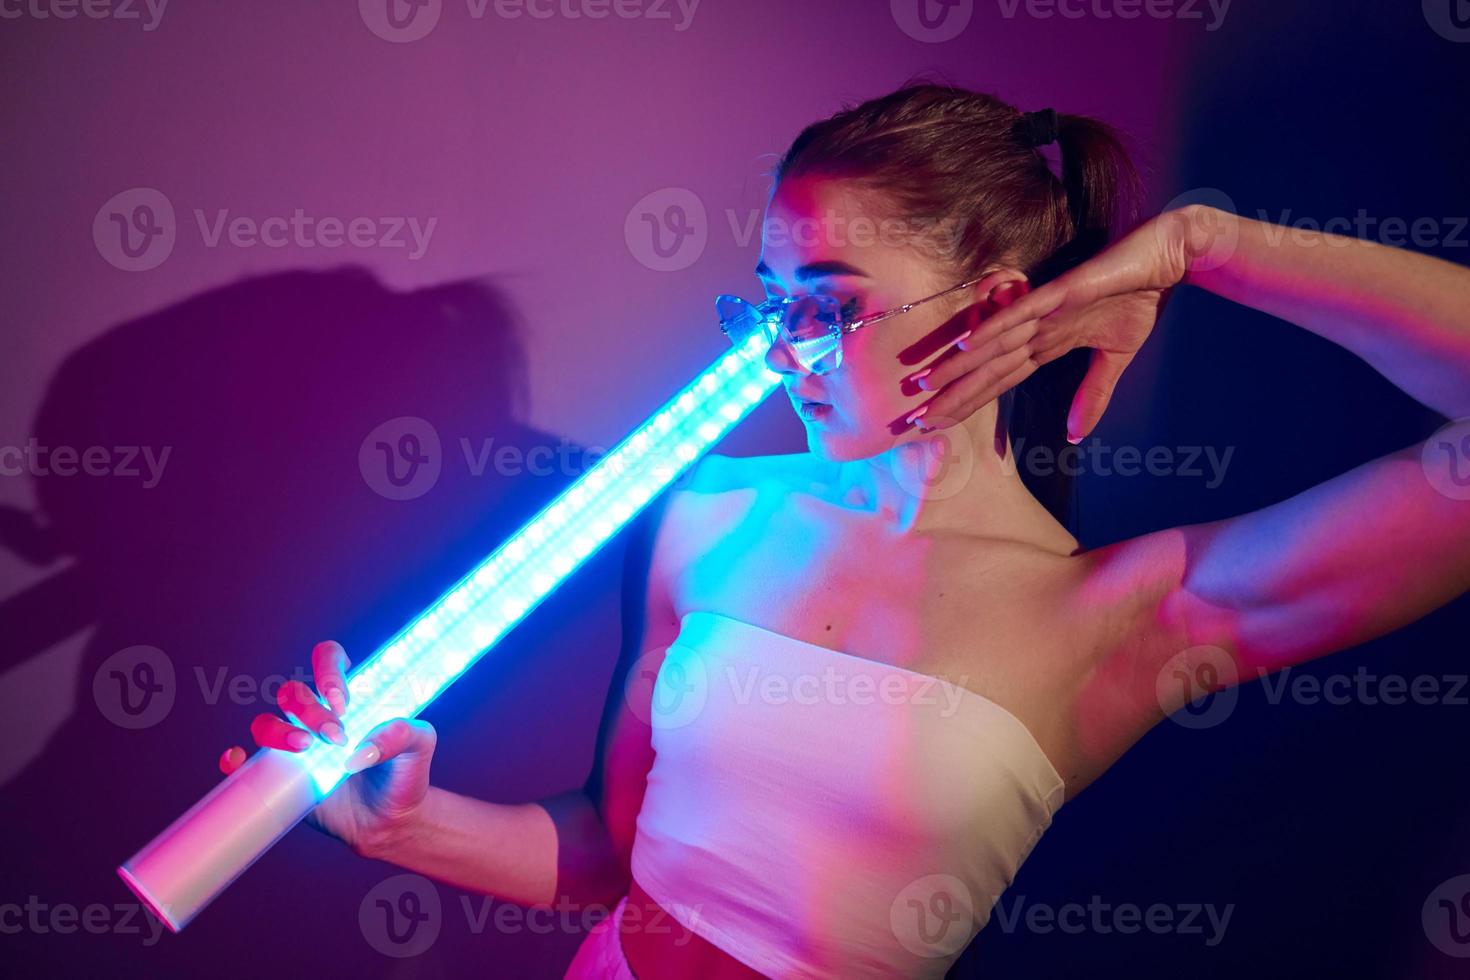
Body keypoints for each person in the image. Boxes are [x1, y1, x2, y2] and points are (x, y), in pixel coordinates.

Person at [220, 84, 1470, 978]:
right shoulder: (710, 517)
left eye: (828, 307)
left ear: (990, 311)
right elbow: (616, 852)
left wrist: (1209, 246)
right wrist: (403, 822)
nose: (781, 354)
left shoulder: (1123, 616)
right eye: (768, 306)